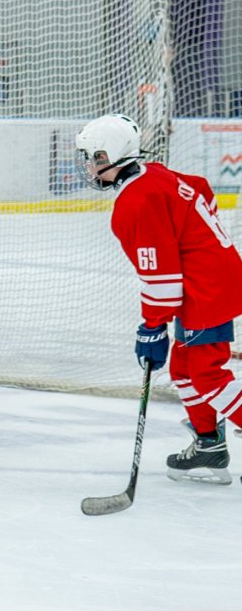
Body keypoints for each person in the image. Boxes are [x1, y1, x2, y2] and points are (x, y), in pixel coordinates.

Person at [75, 113, 242, 483]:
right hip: (206, 281)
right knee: (184, 368)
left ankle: (211, 440)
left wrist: (152, 326)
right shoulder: (152, 174)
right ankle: (209, 445)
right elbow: (200, 187)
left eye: (93, 158)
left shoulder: (136, 201)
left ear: (111, 155)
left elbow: (162, 279)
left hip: (206, 289)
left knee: (207, 374)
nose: (88, 166)